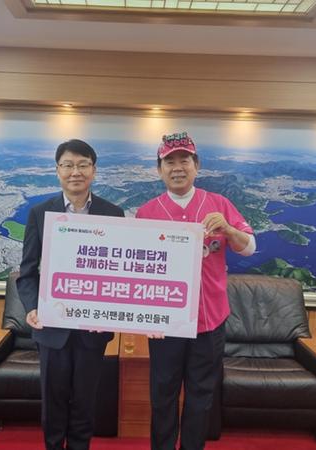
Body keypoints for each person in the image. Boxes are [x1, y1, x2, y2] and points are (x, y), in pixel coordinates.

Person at [136, 132, 255, 450]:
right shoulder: (147, 212)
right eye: (169, 162)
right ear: (159, 169)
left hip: (210, 320)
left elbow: (249, 247)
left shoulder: (219, 204)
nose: (177, 167)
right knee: (163, 394)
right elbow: (138, 272)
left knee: (201, 396)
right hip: (165, 324)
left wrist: (228, 229)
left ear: (196, 165)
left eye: (184, 160)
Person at [16, 139, 124, 450]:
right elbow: (27, 273)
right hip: (52, 328)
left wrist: (112, 311)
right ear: (57, 170)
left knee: (85, 402)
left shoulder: (112, 213)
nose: (75, 172)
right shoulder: (40, 213)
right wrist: (32, 307)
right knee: (53, 401)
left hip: (93, 329)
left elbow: (118, 272)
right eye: (68, 165)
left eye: (82, 165)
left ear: (94, 170)